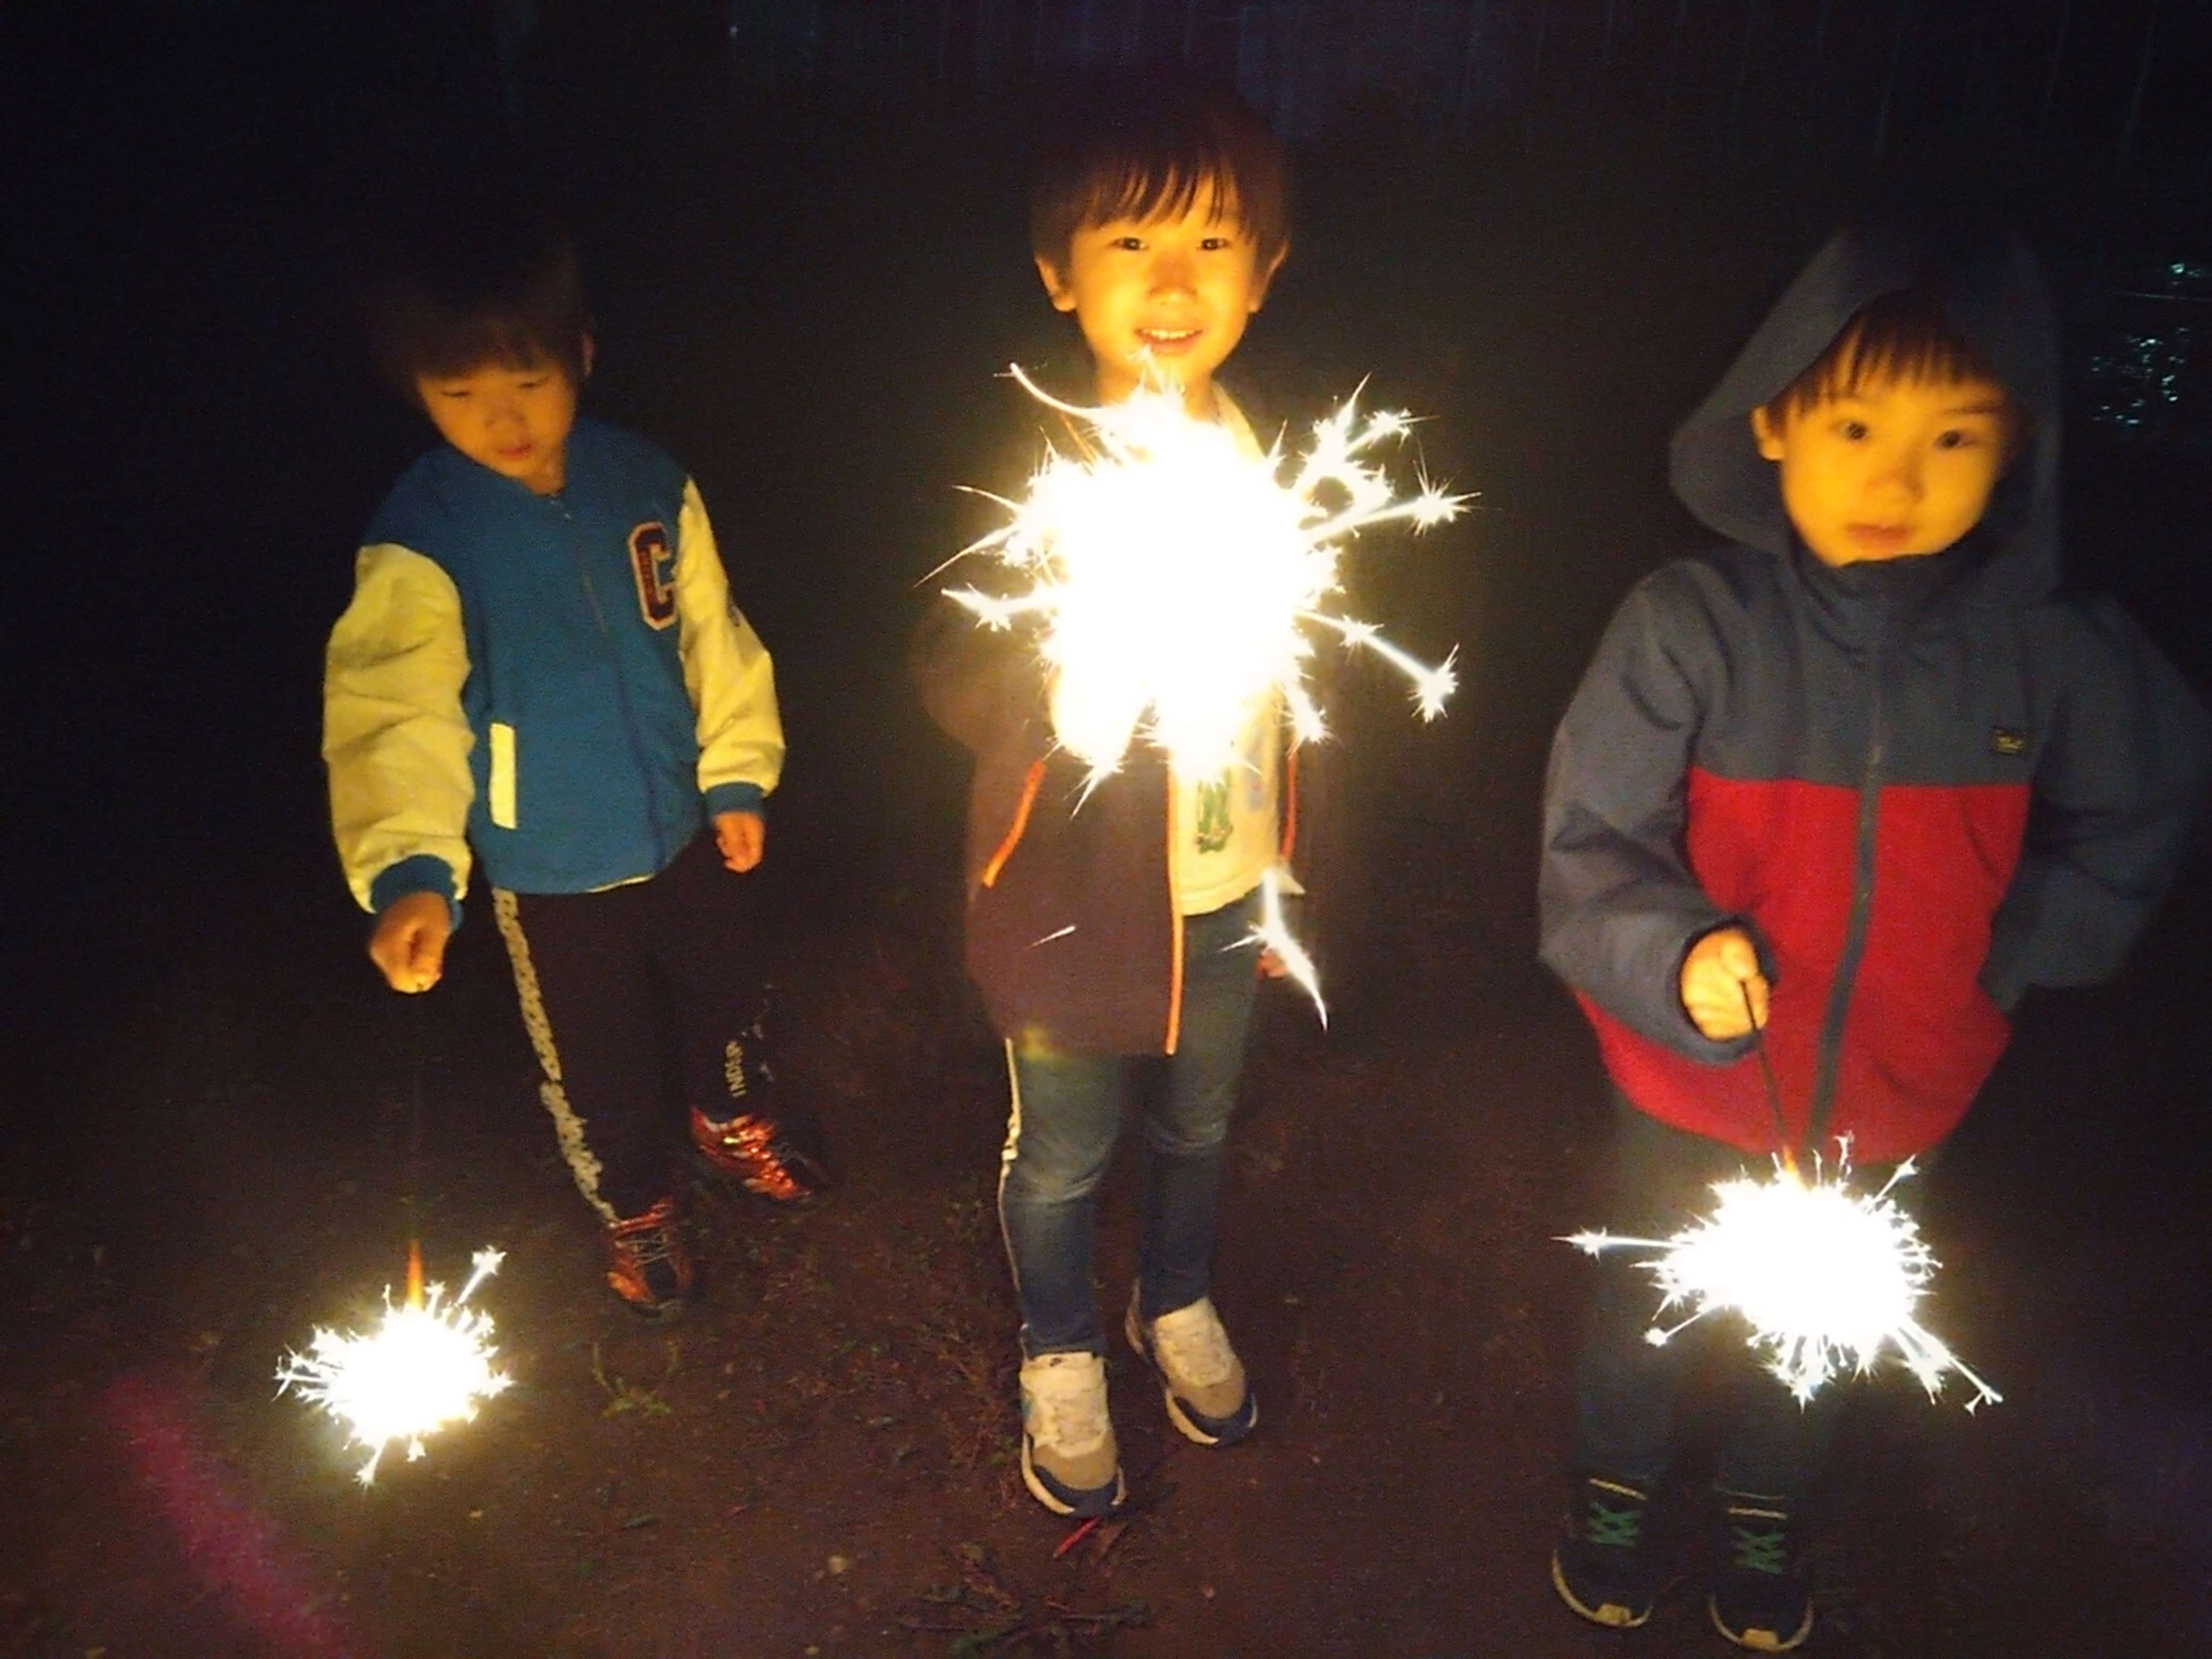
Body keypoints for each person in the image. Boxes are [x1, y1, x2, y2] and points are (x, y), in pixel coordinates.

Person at [1539, 222, 2208, 1650]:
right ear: (1773, 420)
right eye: (1855, 426)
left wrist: (2006, 956)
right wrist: (1671, 953)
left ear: (2014, 448)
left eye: (1953, 437)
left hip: (1904, 1093)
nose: (1898, 481)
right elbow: (1592, 839)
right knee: (1652, 1293)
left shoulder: (2049, 649)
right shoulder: (1692, 626)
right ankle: (1618, 1480)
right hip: (1693, 1083)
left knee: (1830, 1313)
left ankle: (1766, 1499)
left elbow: (2150, 794)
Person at [324, 205, 827, 1322]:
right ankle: (634, 1204)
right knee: (595, 1060)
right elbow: (393, 710)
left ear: (581, 355)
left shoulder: (645, 481)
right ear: (418, 391)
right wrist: (411, 868)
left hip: (687, 829)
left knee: (726, 994)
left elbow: (713, 634)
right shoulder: (427, 535)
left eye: (527, 382)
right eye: (460, 394)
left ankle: (730, 1120)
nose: (500, 419)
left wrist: (735, 771)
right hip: (547, 867)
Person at [914, 78, 1299, 1518]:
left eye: (1212, 243)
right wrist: (1061, 700)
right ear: (1058, 274)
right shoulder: (1031, 463)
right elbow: (947, 659)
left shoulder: (1269, 456)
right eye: (1131, 244)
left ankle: (1175, 1298)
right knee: (1067, 1150)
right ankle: (1061, 1344)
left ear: (1263, 275)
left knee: (1200, 1124)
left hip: (1229, 882)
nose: (1174, 283)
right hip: (1071, 898)